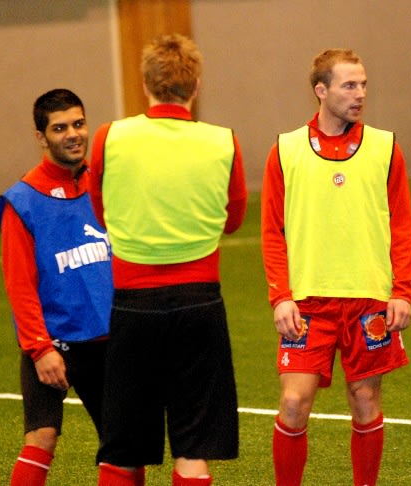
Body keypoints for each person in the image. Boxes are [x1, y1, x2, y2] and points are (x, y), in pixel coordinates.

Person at [89, 33, 246, 486]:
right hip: (200, 303)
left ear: (145, 84)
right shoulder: (223, 141)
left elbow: (101, 211)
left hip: (134, 304)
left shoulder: (109, 137)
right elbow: (233, 219)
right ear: (196, 86)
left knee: (123, 448)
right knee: (193, 448)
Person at [261, 48, 411, 486]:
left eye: (363, 84)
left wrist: (402, 290)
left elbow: (402, 226)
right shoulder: (285, 149)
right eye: (349, 85)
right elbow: (272, 232)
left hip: (369, 300)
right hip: (306, 303)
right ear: (321, 90)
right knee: (294, 403)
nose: (360, 93)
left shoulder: (385, 148)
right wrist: (281, 296)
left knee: (365, 401)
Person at [0, 88, 113, 486]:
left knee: (123, 446)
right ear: (41, 137)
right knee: (42, 437)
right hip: (52, 345)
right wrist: (40, 348)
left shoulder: (104, 184)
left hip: (108, 340)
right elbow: (19, 285)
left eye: (78, 124)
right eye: (59, 128)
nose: (73, 134)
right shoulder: (22, 201)